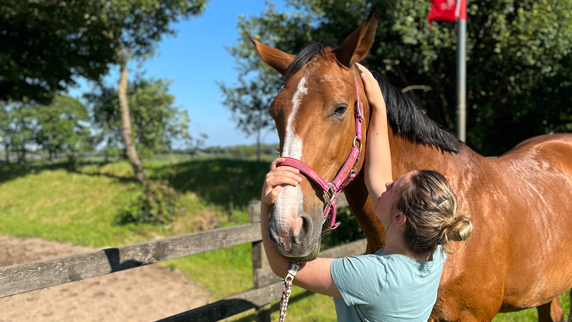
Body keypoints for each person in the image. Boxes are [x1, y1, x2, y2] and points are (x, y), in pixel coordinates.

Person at [260, 64, 473, 321]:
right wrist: (379, 108)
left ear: (398, 218)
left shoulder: (370, 276)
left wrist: (266, 204)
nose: (386, 183)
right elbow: (379, 173)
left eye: (392, 187)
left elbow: (283, 267)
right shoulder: (433, 253)